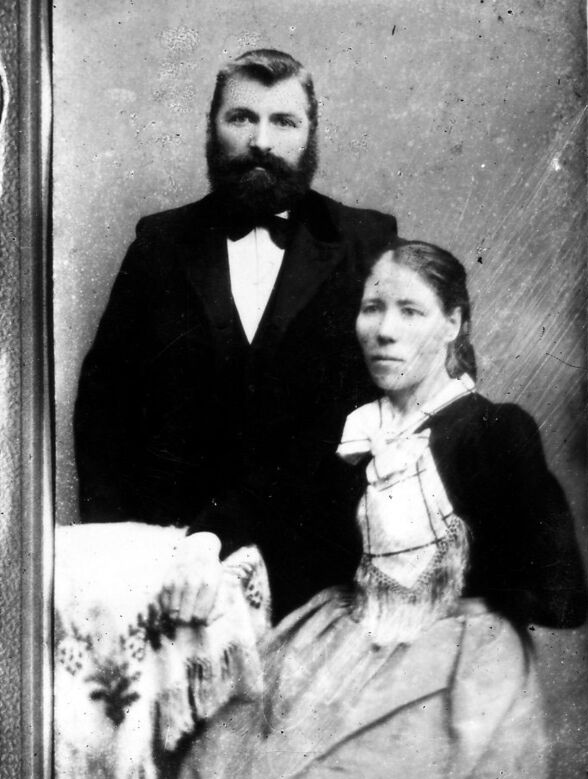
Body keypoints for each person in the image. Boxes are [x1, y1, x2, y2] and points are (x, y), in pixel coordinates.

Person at [169, 239, 588, 779]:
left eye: (410, 311)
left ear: (453, 324)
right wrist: (203, 545)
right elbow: (257, 500)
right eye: (372, 308)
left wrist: (448, 583)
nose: (384, 331)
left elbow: (565, 599)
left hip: (452, 669)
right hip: (332, 647)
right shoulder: (353, 431)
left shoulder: (495, 431)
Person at [73, 49, 397, 622]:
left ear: (311, 133)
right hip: (168, 567)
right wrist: (121, 554)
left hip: (316, 570)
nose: (261, 141)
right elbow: (104, 409)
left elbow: (393, 407)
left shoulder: (365, 242)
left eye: (284, 121)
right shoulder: (159, 244)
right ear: (212, 126)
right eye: (242, 117)